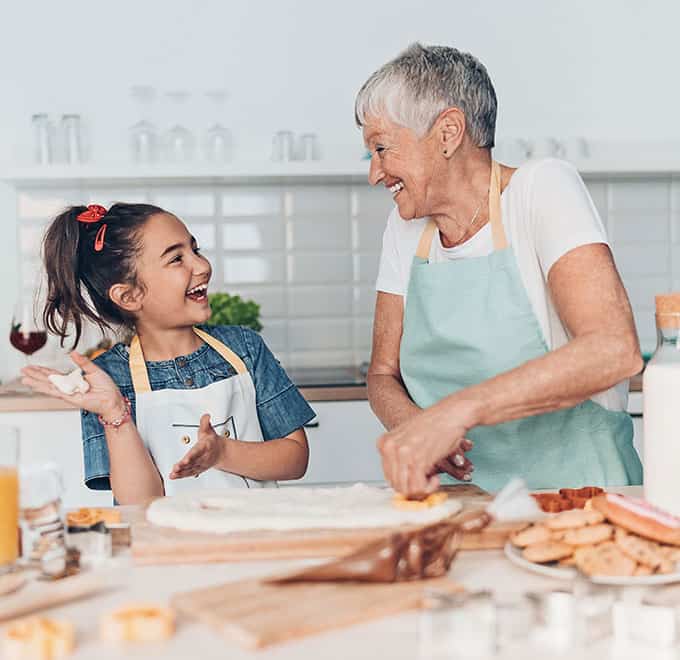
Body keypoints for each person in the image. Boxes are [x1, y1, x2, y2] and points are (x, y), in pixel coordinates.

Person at [356, 43, 643, 495]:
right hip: (462, 505)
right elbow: (381, 374)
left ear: (448, 132)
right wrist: (419, 429)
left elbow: (613, 350)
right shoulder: (404, 228)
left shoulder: (541, 189)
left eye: (381, 148)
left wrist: (455, 412)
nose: (374, 172)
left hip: (581, 501)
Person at [22, 203, 315, 504]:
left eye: (195, 250)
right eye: (177, 259)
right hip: (168, 546)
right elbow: (140, 503)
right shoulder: (106, 382)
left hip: (255, 541)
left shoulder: (244, 348)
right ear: (129, 296)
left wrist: (223, 452)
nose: (202, 266)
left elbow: (295, 458)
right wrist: (114, 413)